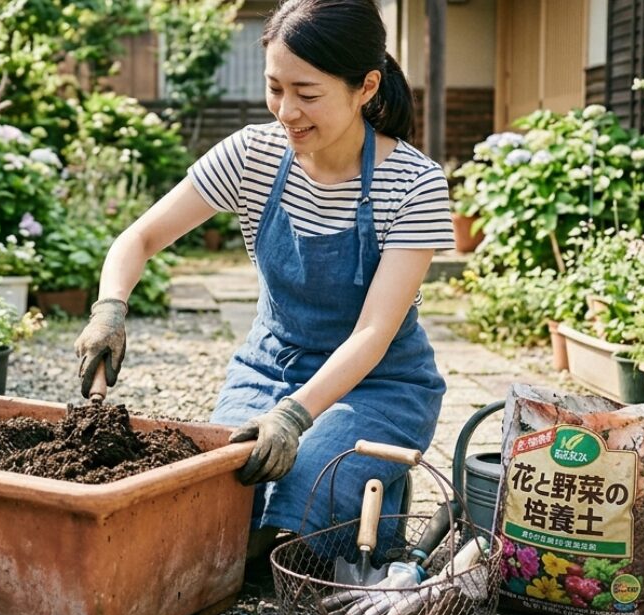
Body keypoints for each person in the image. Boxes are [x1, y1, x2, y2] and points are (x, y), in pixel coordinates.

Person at [74, 0, 454, 560]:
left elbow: (373, 334)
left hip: (379, 383)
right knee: (215, 514)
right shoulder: (253, 155)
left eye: (308, 93)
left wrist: (296, 416)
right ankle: (362, 485)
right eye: (275, 88)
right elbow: (139, 239)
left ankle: (379, 489)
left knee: (294, 528)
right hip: (269, 368)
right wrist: (109, 311)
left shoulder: (415, 184)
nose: (286, 111)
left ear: (366, 87)